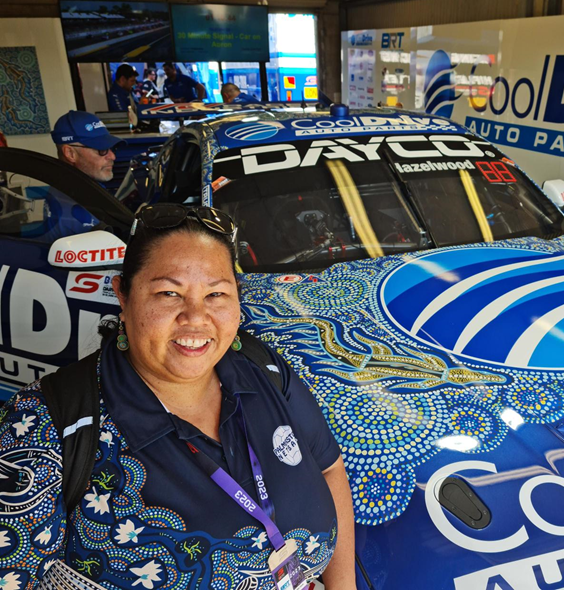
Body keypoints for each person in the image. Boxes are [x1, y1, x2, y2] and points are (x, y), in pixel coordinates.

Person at [0, 204, 356, 589]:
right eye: (169, 292)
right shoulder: (42, 424)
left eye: (216, 293)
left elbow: (329, 469)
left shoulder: (261, 369)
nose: (196, 317)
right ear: (123, 294)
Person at [51, 110, 125, 184]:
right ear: (70, 153)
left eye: (111, 148)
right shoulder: (68, 194)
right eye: (101, 149)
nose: (112, 156)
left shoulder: (90, 188)